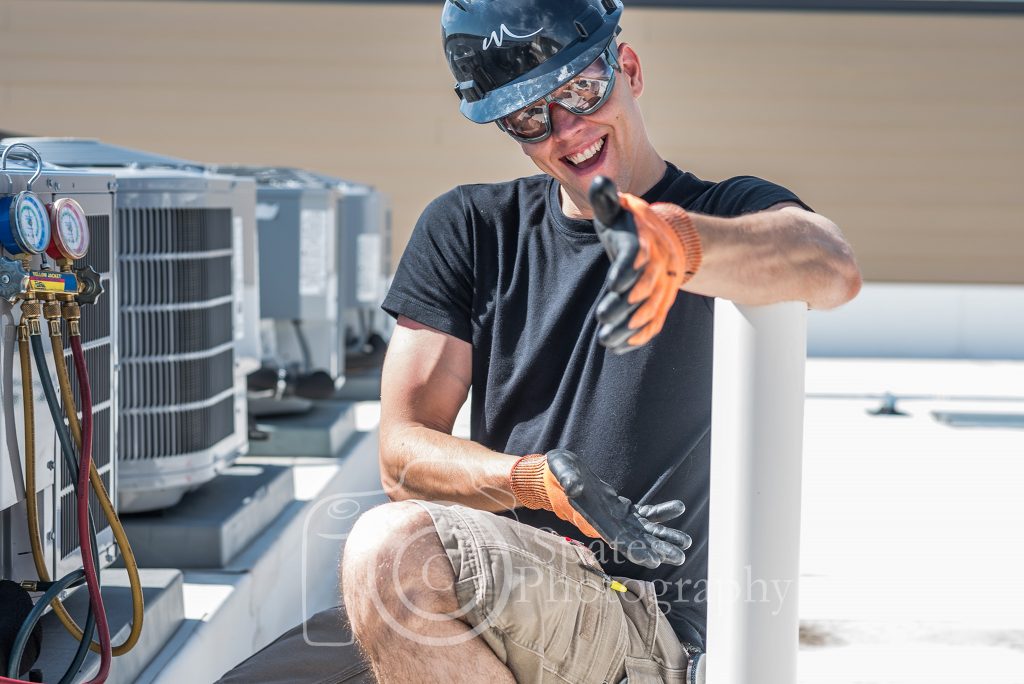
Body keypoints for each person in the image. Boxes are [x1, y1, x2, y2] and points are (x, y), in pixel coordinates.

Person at [224, 1, 861, 682]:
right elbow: (402, 457)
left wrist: (677, 244)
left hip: (640, 619)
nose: (568, 129)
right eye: (530, 116)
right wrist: (534, 482)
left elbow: (828, 264)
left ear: (630, 68)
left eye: (582, 89)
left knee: (391, 552)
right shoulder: (470, 228)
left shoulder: (725, 214)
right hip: (497, 584)